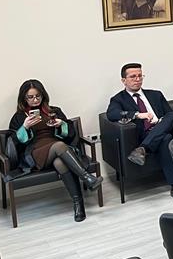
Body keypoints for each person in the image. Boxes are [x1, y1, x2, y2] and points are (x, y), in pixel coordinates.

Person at [8, 80, 103, 222]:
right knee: (59, 146)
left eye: (38, 96)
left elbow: (71, 134)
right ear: (24, 98)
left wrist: (61, 125)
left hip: (58, 150)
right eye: (30, 97)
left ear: (43, 95)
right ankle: (87, 178)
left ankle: (78, 205)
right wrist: (25, 127)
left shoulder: (54, 111)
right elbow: (13, 143)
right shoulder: (19, 117)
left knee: (60, 162)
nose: (35, 100)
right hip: (35, 153)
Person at [106, 63, 173, 200]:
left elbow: (169, 116)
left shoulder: (156, 94)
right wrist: (137, 115)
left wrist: (161, 122)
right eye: (133, 76)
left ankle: (142, 149)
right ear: (124, 80)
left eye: (140, 76)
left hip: (161, 127)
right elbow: (112, 114)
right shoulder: (118, 99)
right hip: (144, 134)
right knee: (165, 139)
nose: (137, 79)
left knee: (171, 116)